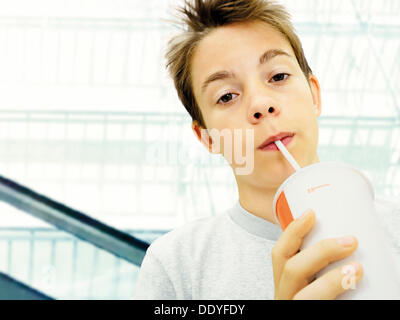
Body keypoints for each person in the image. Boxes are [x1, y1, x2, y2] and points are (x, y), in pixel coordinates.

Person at [133, 0, 399, 299]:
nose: (261, 104)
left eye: (278, 77)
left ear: (314, 96)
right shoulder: (177, 264)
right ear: (207, 138)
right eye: (227, 96)